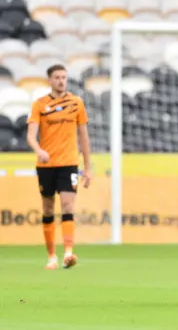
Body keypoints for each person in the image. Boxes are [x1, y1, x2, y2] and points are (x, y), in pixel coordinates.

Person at [26, 64, 92, 270]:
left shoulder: (76, 103)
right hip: (46, 164)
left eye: (64, 77)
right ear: (50, 80)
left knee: (67, 205)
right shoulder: (39, 105)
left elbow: (83, 135)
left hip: (69, 162)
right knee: (47, 208)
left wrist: (88, 167)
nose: (61, 80)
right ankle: (51, 256)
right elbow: (30, 136)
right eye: (57, 77)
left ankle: (69, 253)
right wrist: (39, 151)